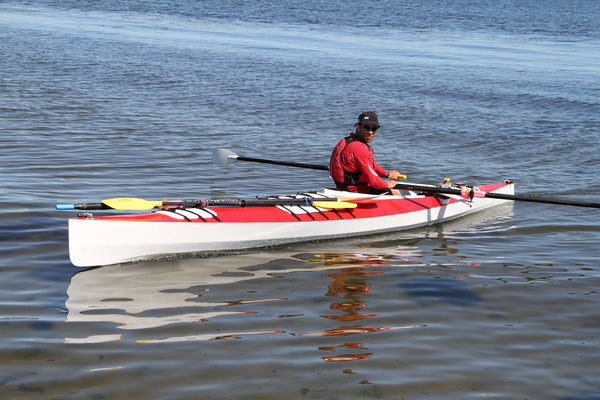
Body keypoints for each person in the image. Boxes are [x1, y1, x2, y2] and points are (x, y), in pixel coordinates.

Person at [330, 111, 403, 193]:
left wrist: (387, 175)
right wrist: (387, 184)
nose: (370, 132)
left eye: (374, 129)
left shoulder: (344, 141)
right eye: (367, 128)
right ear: (358, 126)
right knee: (395, 192)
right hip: (358, 192)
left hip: (343, 188)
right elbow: (375, 182)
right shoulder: (360, 148)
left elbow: (370, 164)